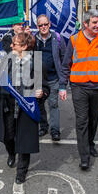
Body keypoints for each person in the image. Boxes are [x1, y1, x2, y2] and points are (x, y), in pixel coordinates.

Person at [59, 9, 98, 171]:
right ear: (85, 24)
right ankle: (84, 157)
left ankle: (90, 143)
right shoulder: (74, 39)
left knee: (93, 120)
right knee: (82, 121)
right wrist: (62, 86)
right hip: (79, 87)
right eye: (94, 22)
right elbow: (66, 65)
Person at [0, 32, 49, 184]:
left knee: (24, 141)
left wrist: (42, 92)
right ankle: (11, 153)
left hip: (26, 108)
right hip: (8, 106)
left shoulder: (37, 64)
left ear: (24, 46)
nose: (11, 46)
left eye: (15, 44)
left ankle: (21, 171)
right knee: (7, 137)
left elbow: (45, 86)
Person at [34, 14, 66, 142]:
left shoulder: (57, 38)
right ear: (37, 26)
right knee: (39, 104)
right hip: (39, 79)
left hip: (53, 78)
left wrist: (63, 80)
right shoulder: (33, 39)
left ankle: (55, 131)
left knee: (53, 104)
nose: (43, 27)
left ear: (49, 24)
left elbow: (63, 58)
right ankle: (43, 126)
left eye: (45, 24)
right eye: (40, 25)